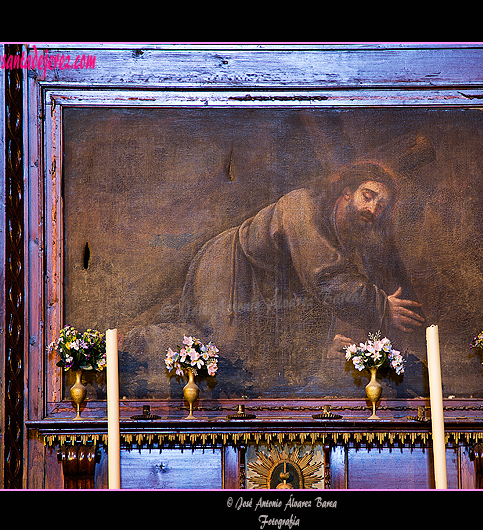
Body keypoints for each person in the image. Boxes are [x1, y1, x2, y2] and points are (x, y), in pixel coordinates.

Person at [179, 161, 425, 395]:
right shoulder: (302, 205)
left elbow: (311, 300)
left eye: (380, 206)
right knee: (224, 359)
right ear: (347, 192)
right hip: (226, 269)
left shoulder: (347, 241)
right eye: (368, 196)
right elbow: (325, 279)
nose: (372, 209)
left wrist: (322, 343)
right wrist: (380, 305)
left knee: (262, 377)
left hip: (266, 297)